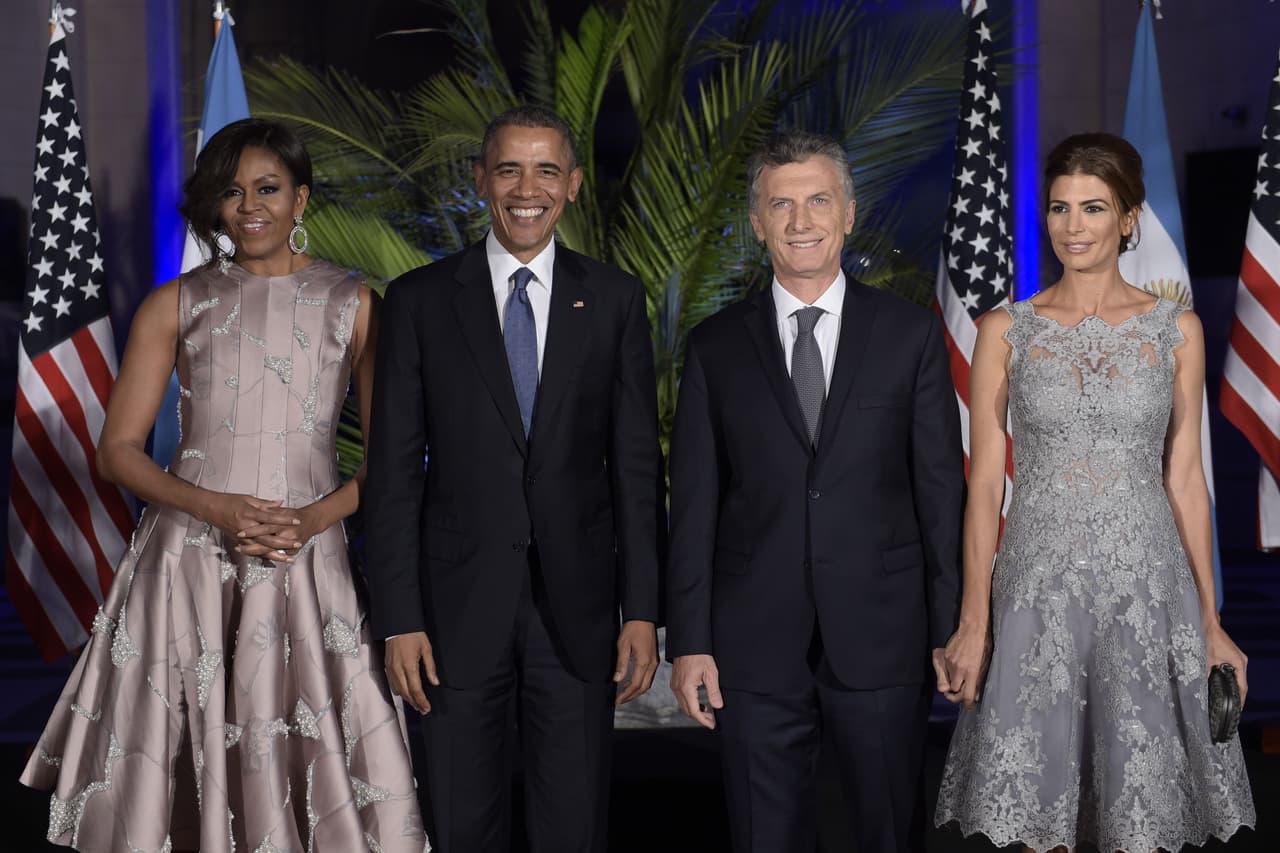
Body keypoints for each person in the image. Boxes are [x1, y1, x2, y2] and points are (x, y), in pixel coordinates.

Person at [19, 118, 428, 852]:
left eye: (268, 188)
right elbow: (117, 452)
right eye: (231, 193)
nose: (250, 207)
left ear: (301, 198)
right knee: (179, 770)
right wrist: (218, 507)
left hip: (308, 563)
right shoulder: (176, 302)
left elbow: (392, 461)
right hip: (188, 559)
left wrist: (311, 520)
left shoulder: (354, 303)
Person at [934, 132, 1255, 852]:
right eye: (1059, 208)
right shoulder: (1004, 330)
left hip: (1145, 587)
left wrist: (1210, 619)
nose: (1073, 226)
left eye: (1093, 207)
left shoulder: (1177, 329)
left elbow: (1185, 478)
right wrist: (974, 620)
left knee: (1139, 818)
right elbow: (985, 484)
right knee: (1038, 817)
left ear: (1129, 217)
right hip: (1036, 589)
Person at [363, 104, 665, 853]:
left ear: (572, 187)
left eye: (546, 170)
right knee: (462, 825)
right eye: (508, 168)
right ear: (480, 180)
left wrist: (642, 611)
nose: (526, 188)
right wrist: (399, 617)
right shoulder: (419, 301)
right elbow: (393, 474)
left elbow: (635, 467)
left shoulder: (618, 300)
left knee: (573, 826)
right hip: (451, 616)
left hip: (581, 616)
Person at [665, 129, 965, 853]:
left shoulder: (908, 336)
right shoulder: (714, 347)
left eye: (818, 200)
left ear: (849, 212)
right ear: (758, 220)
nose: (802, 222)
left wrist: (952, 625)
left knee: (888, 832)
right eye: (782, 204)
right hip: (751, 643)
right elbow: (694, 506)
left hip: (886, 635)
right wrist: (691, 641)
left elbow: (939, 491)